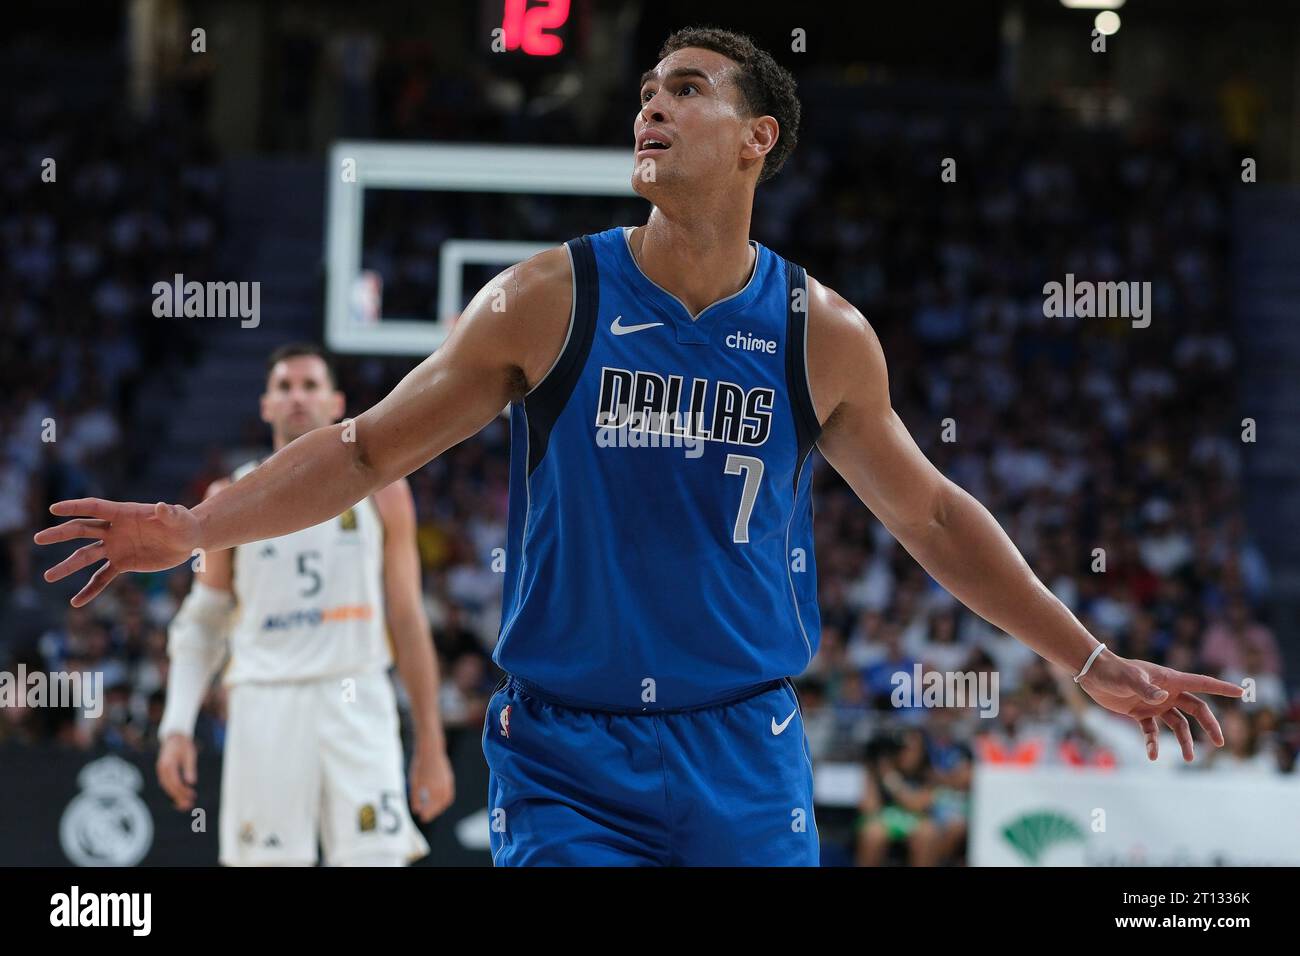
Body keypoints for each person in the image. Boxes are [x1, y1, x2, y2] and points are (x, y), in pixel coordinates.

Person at [37, 28, 1242, 866]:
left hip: (743, 743)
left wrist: (1085, 658)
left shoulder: (820, 333)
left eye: (685, 88)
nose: (649, 106)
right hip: (566, 743)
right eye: (647, 90)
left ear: (757, 135)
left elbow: (929, 518)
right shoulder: (544, 299)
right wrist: (197, 527)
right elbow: (361, 451)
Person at [154, 343, 453, 866]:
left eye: (310, 385)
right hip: (265, 701)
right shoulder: (225, 498)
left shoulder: (386, 494)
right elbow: (203, 622)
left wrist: (430, 740)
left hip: (358, 695)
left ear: (336, 402)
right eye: (285, 387)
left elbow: (407, 621)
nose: (297, 397)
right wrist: (176, 725)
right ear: (266, 405)